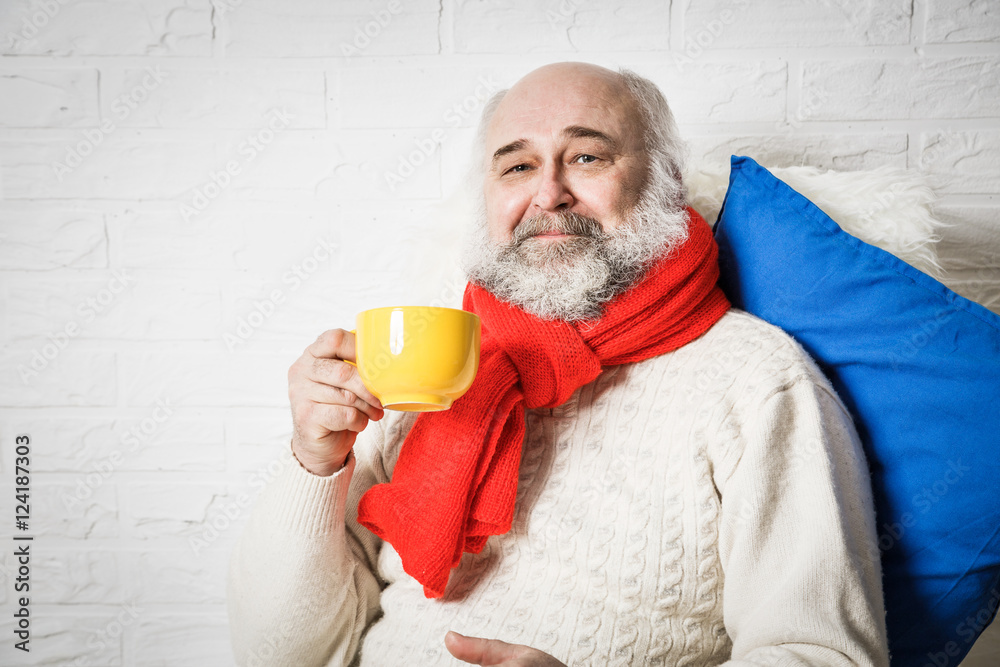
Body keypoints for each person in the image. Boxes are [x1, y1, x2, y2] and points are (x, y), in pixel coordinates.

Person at [227, 62, 890, 667]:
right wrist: (314, 462)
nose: (548, 194)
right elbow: (281, 654)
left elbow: (825, 656)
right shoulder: (427, 368)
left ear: (666, 184)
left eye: (586, 156)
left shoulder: (757, 381)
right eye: (516, 167)